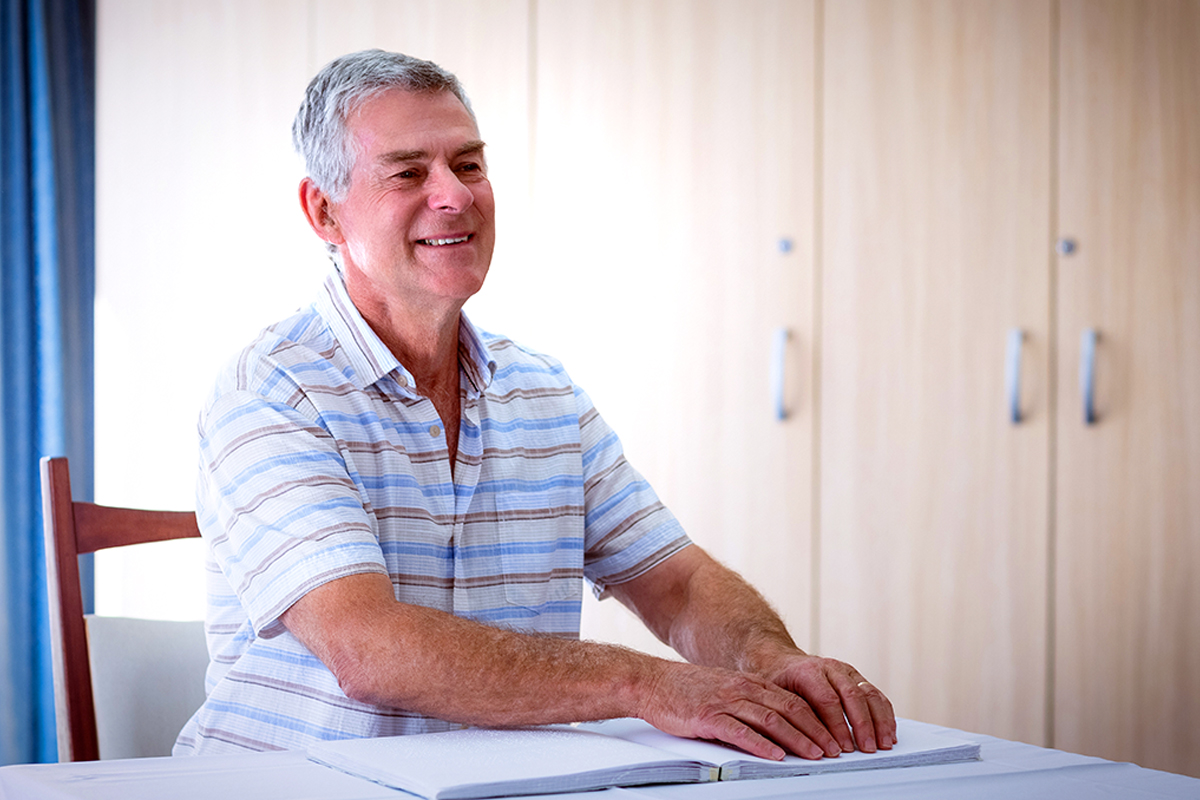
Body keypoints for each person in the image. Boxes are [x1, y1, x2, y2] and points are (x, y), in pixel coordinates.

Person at [174, 49, 895, 759]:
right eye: (408, 172)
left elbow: (677, 585)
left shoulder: (542, 392)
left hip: (505, 785)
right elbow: (370, 649)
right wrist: (647, 685)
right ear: (324, 213)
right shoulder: (270, 391)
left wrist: (766, 655)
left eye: (468, 164)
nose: (454, 194)